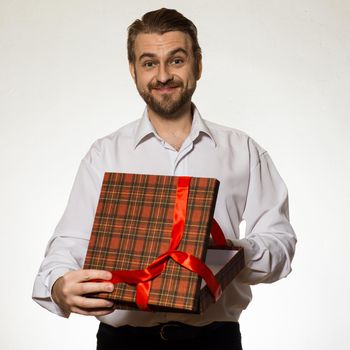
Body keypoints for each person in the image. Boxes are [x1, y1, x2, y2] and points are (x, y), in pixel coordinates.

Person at [32, 8, 296, 350]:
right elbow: (68, 244)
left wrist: (233, 255)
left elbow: (281, 242)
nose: (162, 75)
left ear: (198, 64)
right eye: (149, 63)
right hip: (122, 343)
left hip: (214, 341)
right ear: (133, 71)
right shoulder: (105, 154)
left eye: (176, 60)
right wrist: (58, 286)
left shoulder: (243, 150)